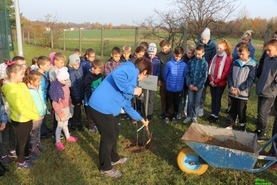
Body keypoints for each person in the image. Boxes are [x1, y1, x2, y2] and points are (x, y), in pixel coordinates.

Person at [87, 58, 150, 178]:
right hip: (100, 108)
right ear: (145, 72)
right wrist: (133, 90)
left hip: (106, 109)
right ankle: (105, 167)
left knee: (115, 132)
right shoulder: (132, 70)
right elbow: (117, 73)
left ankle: (114, 158)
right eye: (146, 76)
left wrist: (141, 119)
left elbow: (127, 105)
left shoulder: (130, 79)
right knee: (109, 137)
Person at [2, 63, 40, 169]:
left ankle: (27, 155)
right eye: (21, 73)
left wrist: (34, 113)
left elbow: (30, 101)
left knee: (27, 138)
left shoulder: (21, 85)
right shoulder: (10, 90)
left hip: (28, 118)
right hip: (20, 120)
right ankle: (21, 162)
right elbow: (20, 108)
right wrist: (34, 115)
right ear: (13, 75)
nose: (23, 76)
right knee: (22, 141)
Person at [226, 44, 257, 131]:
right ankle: (231, 123)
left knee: (241, 109)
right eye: (239, 54)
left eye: (243, 54)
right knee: (232, 108)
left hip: (243, 92)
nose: (240, 56)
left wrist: (239, 89)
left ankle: (242, 125)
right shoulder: (236, 62)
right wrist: (231, 86)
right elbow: (230, 75)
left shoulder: (252, 65)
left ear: (248, 53)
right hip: (233, 91)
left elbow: (250, 80)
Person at [48, 67, 78, 151]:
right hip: (61, 110)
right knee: (60, 126)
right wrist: (60, 114)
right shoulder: (56, 88)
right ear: (60, 79)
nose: (67, 81)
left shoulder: (64, 85)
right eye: (65, 80)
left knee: (66, 123)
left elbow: (68, 96)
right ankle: (57, 141)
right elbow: (55, 103)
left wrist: (70, 103)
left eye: (67, 80)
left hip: (67, 107)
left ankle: (68, 136)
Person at [255, 39, 277, 138]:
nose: (267, 52)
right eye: (266, 50)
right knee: (260, 112)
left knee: (263, 113)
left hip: (270, 92)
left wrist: (272, 88)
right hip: (261, 89)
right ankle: (260, 128)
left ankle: (262, 133)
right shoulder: (267, 59)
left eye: (269, 50)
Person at [207, 39, 232, 123]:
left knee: (217, 99)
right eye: (217, 48)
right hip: (212, 82)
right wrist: (211, 80)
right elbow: (209, 69)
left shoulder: (227, 59)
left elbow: (225, 72)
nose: (218, 50)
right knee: (213, 99)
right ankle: (212, 114)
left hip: (220, 83)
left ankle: (216, 115)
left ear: (225, 48)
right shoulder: (214, 57)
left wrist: (216, 81)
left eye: (220, 48)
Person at [24, 69, 46, 155]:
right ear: (31, 81)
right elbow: (29, 105)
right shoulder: (29, 91)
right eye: (38, 81)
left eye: (40, 81)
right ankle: (33, 147)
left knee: (38, 130)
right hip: (35, 116)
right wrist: (33, 115)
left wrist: (44, 109)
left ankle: (38, 143)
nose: (40, 82)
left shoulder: (38, 88)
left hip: (41, 114)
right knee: (33, 132)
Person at [183, 45, 208, 124]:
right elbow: (187, 74)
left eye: (199, 54)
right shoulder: (190, 62)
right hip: (191, 85)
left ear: (203, 53)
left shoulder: (205, 64)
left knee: (197, 102)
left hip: (199, 87)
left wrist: (198, 86)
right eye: (196, 54)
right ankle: (189, 116)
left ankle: (194, 116)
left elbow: (205, 76)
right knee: (190, 101)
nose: (197, 55)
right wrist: (189, 84)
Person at [163, 46, 187, 124]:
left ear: (182, 55)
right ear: (174, 54)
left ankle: (174, 116)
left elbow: (184, 75)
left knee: (176, 103)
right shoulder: (169, 64)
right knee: (168, 102)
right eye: (176, 56)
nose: (177, 58)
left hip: (179, 88)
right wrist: (168, 82)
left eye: (179, 56)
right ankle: (167, 116)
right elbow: (165, 75)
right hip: (169, 88)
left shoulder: (184, 65)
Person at [196, 28, 216, 117]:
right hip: (197, 69)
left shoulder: (213, 46)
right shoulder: (198, 43)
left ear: (208, 39)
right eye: (202, 39)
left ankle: (201, 107)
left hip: (207, 69)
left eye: (205, 39)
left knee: (203, 90)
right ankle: (194, 105)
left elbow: (213, 59)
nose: (203, 41)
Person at [0, 62, 16, 165]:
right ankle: (3, 154)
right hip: (4, 119)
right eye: (5, 78)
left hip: (11, 116)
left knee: (12, 134)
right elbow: (1, 108)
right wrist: (4, 120)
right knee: (4, 137)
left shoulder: (10, 86)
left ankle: (12, 150)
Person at [84, 59, 103, 133]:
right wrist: (90, 98)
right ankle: (91, 126)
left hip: (97, 97)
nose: (99, 72)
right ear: (93, 68)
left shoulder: (100, 75)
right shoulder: (88, 77)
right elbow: (87, 89)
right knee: (90, 113)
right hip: (90, 98)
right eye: (98, 70)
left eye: (100, 70)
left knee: (97, 112)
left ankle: (96, 124)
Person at [157, 40, 174, 119]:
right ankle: (163, 111)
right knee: (163, 96)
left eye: (165, 48)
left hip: (172, 80)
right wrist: (159, 79)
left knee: (171, 97)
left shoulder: (174, 54)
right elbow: (158, 68)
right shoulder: (159, 55)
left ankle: (171, 111)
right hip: (163, 80)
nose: (164, 50)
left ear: (169, 46)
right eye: (162, 49)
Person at [177, 45, 195, 119]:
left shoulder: (194, 61)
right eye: (188, 53)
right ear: (186, 52)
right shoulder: (182, 59)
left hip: (190, 83)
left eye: (191, 53)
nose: (190, 55)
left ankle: (185, 111)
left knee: (187, 98)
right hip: (182, 82)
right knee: (180, 97)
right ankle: (179, 111)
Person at [67, 54, 84, 131]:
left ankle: (78, 122)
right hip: (75, 96)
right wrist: (77, 98)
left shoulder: (78, 69)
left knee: (78, 109)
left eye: (78, 64)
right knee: (75, 110)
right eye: (75, 64)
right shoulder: (71, 73)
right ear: (71, 64)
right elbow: (73, 87)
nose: (77, 66)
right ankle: (74, 124)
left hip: (80, 93)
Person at [144, 43, 160, 121]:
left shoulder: (157, 61)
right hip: (145, 80)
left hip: (153, 81)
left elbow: (158, 71)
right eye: (150, 54)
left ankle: (150, 114)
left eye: (152, 54)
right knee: (145, 97)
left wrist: (156, 79)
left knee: (151, 98)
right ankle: (145, 113)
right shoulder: (145, 60)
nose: (151, 56)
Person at [37, 56, 52, 139]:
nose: (49, 67)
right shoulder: (39, 77)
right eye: (47, 65)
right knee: (41, 114)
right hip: (41, 99)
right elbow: (40, 89)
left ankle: (44, 128)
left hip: (44, 97)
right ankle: (42, 132)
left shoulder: (45, 73)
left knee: (44, 113)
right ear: (41, 66)